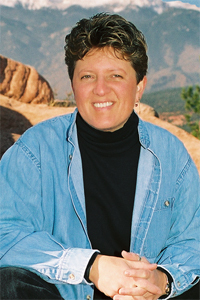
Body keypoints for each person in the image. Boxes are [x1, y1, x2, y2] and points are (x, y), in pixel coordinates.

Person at [0, 13, 199, 300]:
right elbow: (5, 233)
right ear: (73, 85)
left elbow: (192, 242)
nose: (100, 90)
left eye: (116, 76)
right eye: (87, 76)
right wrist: (92, 266)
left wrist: (162, 281)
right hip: (62, 295)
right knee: (7, 283)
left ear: (140, 86)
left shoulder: (171, 155)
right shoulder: (36, 150)